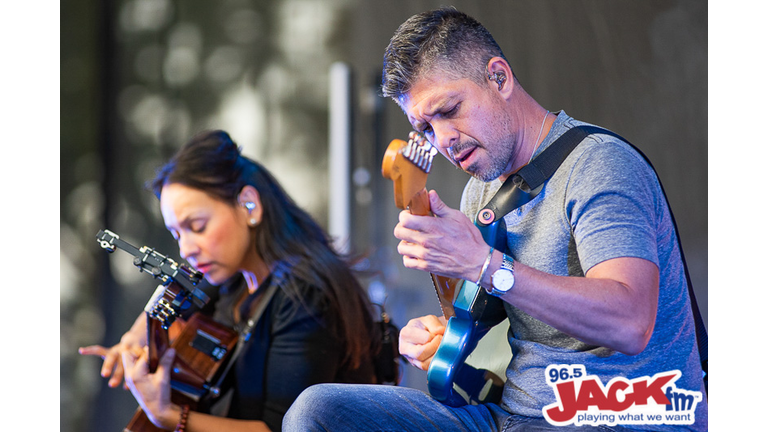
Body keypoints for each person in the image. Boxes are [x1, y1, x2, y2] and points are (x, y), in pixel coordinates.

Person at [284, 7, 707, 431]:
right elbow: (496, 333)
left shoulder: (599, 164)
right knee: (318, 410)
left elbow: (630, 323)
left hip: (611, 418)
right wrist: (440, 340)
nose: (444, 140)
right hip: (510, 415)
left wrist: (485, 265)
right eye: (425, 128)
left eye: (449, 109)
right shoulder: (480, 192)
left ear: (499, 78)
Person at [79, 130, 380, 431]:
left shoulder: (305, 295)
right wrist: (133, 340)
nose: (186, 249)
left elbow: (278, 429)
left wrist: (167, 415)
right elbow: (173, 294)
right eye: (177, 234)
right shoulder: (231, 280)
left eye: (197, 226)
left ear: (249, 205)